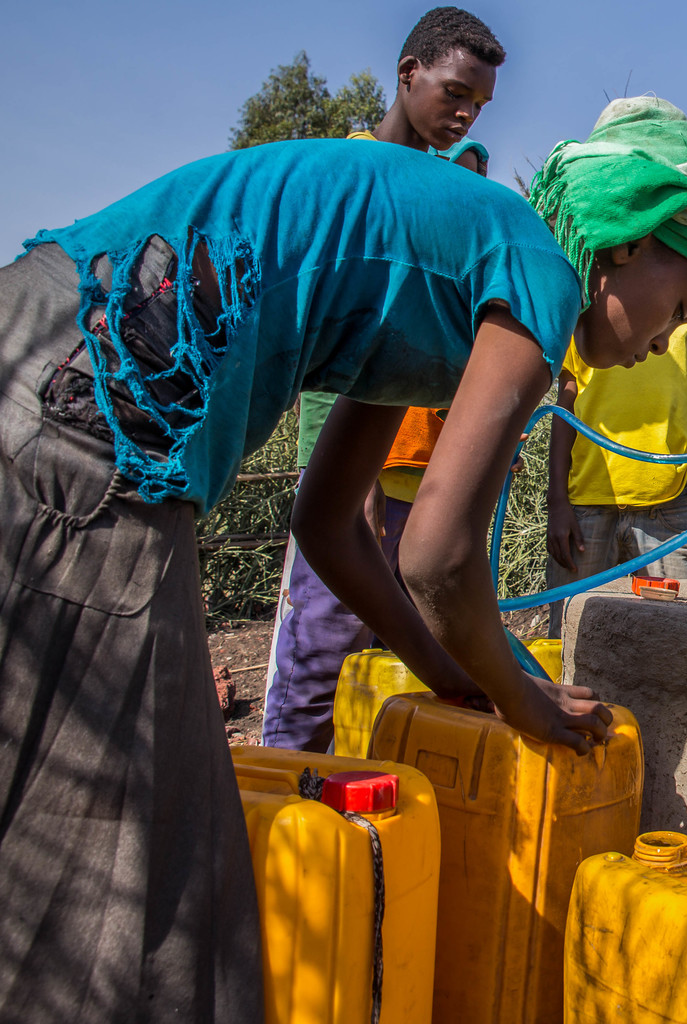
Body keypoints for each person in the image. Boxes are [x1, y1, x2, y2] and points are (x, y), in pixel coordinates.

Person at [0, 96, 687, 1021]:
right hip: (78, 423)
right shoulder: (537, 271)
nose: (664, 342)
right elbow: (439, 556)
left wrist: (449, 673)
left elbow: (328, 525)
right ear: (626, 241)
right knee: (127, 869)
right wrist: (522, 700)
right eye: (682, 305)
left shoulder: (455, 275)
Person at [263, 6, 502, 752]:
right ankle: (280, 793)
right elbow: (332, 337)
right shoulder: (352, 175)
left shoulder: (433, 190)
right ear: (409, 75)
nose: (465, 113)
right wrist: (353, 487)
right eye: (456, 93)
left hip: (411, 462)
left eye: (480, 105)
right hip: (350, 465)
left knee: (397, 639)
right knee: (321, 642)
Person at [545, 310, 687, 637]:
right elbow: (566, 405)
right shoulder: (590, 305)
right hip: (586, 508)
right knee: (570, 635)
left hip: (666, 509)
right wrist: (558, 501)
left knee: (678, 636)